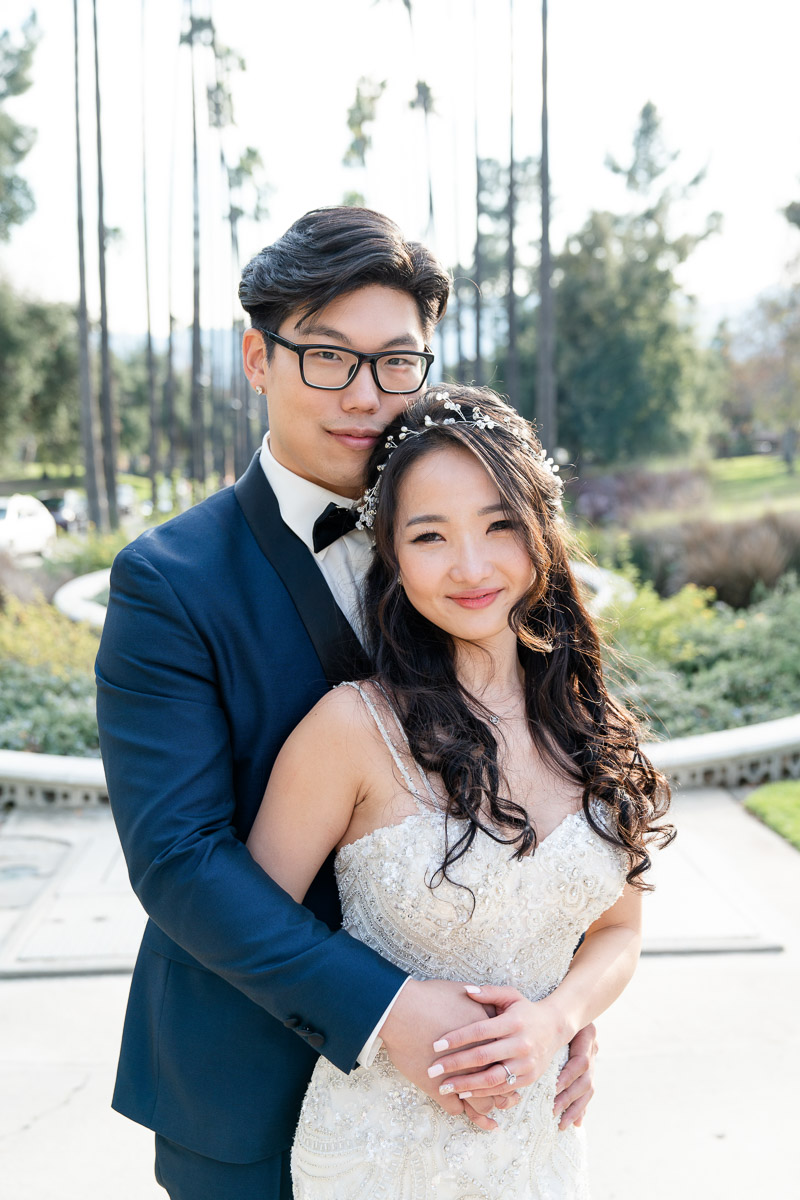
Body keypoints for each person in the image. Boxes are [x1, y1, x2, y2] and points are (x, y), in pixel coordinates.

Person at [96, 207, 602, 1200]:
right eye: (327, 357)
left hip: (483, 1097)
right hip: (248, 1085)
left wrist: (555, 1008)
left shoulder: (477, 554)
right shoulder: (167, 583)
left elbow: (543, 782)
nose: (366, 395)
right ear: (258, 359)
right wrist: (388, 1011)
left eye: (395, 361)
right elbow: (180, 861)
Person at [247, 386, 673, 1198]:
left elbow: (620, 931)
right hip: (378, 1157)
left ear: (540, 529)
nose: (471, 567)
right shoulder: (349, 730)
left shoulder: (593, 727)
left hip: (539, 1149)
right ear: (393, 555)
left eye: (498, 524)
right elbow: (254, 934)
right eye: (430, 536)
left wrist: (561, 1019)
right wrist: (384, 1015)